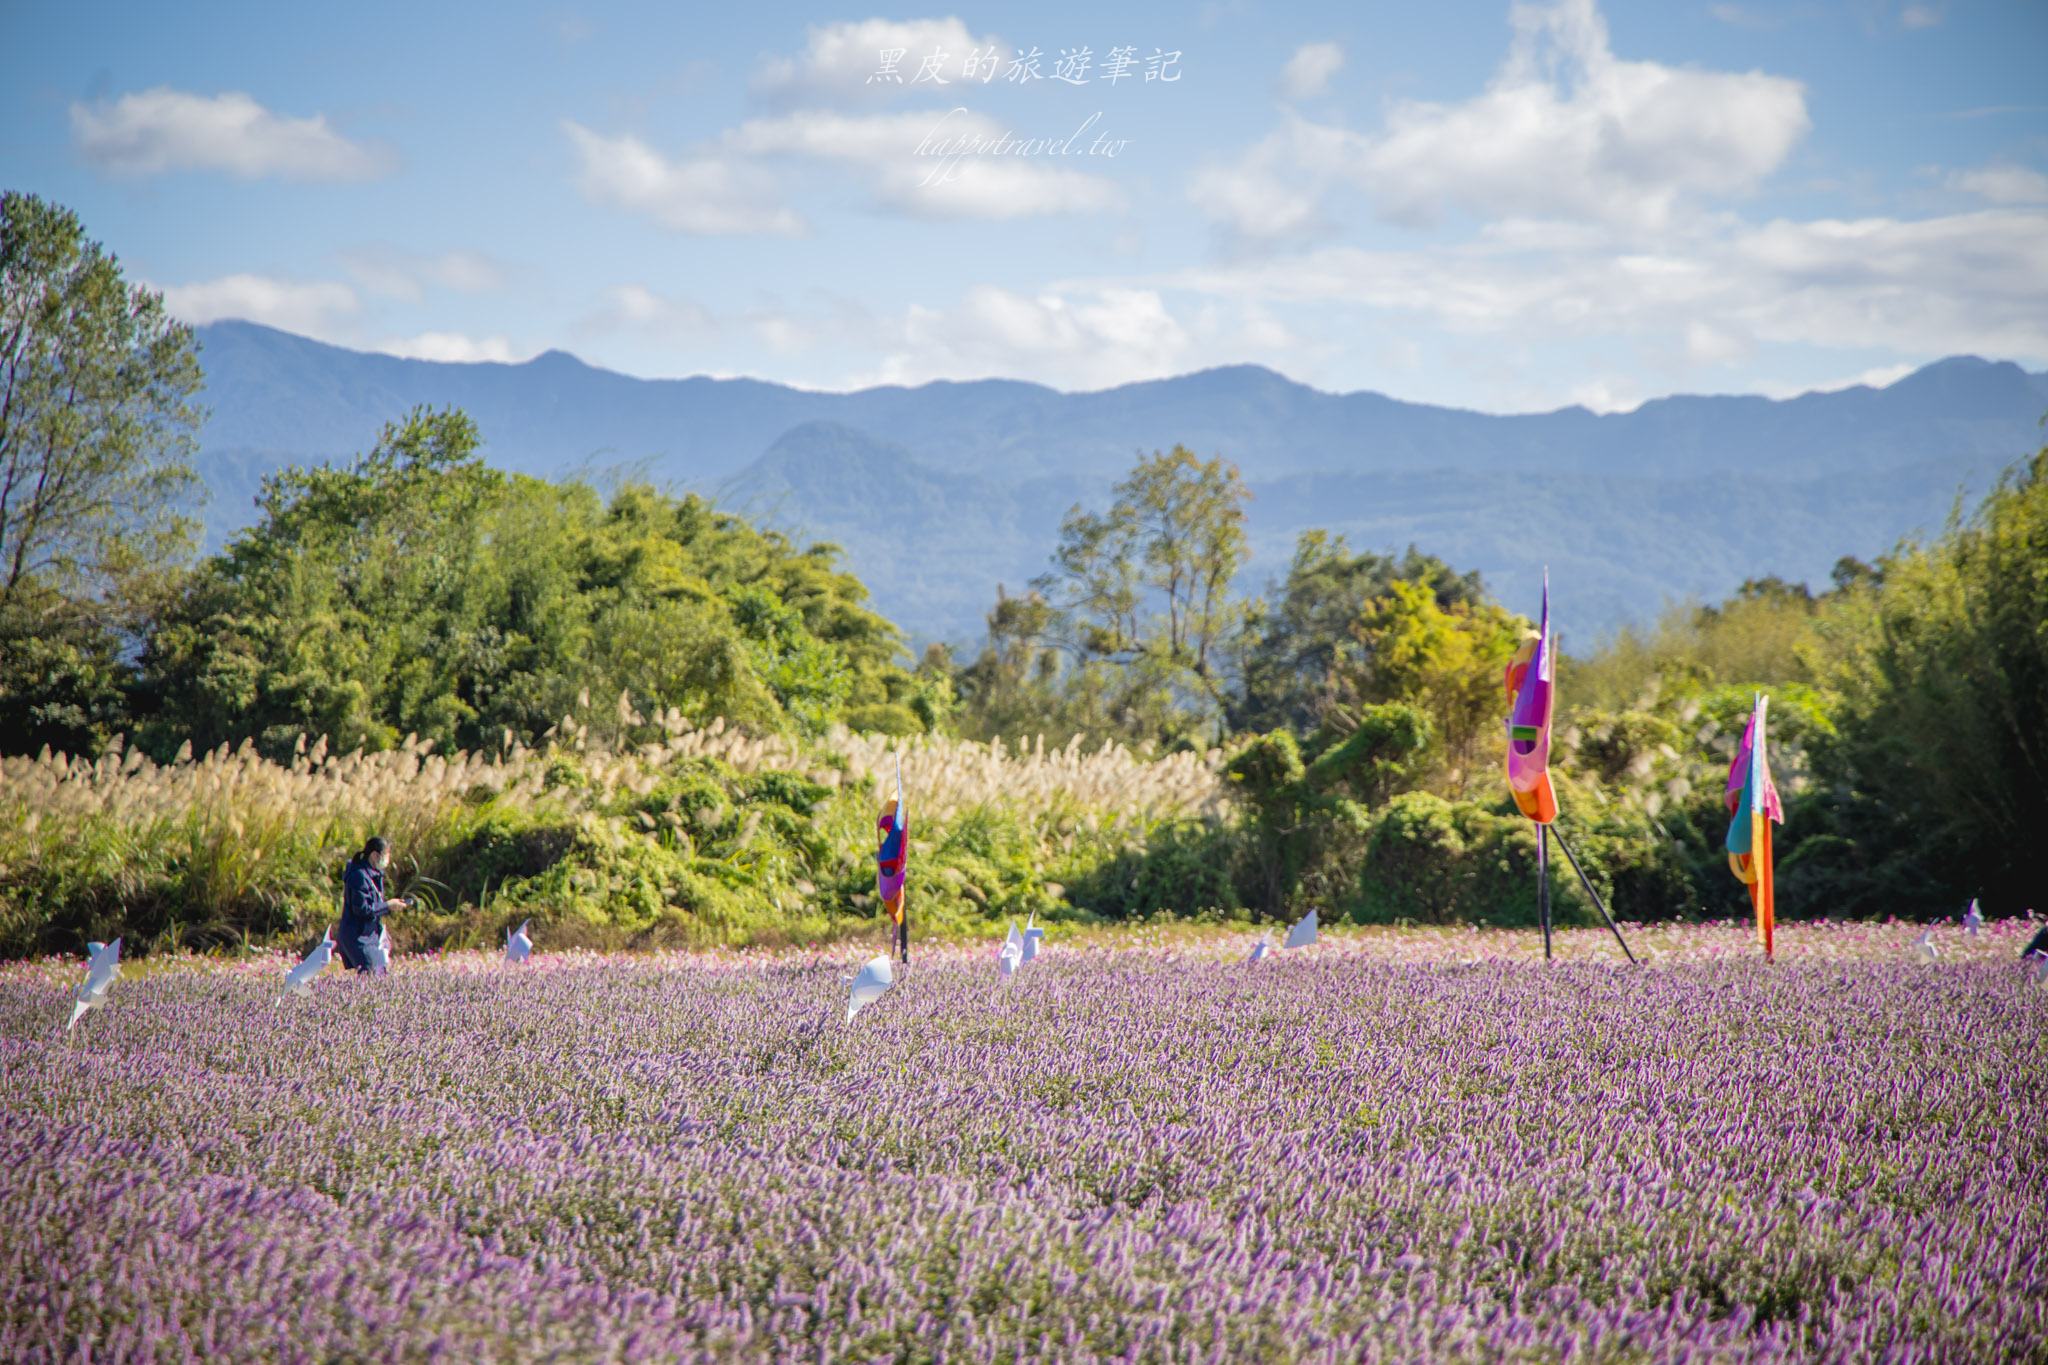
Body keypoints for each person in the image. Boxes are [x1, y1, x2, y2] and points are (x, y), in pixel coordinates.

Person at [337, 836, 408, 972]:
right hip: (357, 936)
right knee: (370, 976)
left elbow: (374, 906)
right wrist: (388, 906)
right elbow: (362, 909)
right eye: (386, 855)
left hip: (371, 935)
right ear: (375, 855)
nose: (388, 859)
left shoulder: (374, 874)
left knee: (380, 975)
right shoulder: (359, 876)